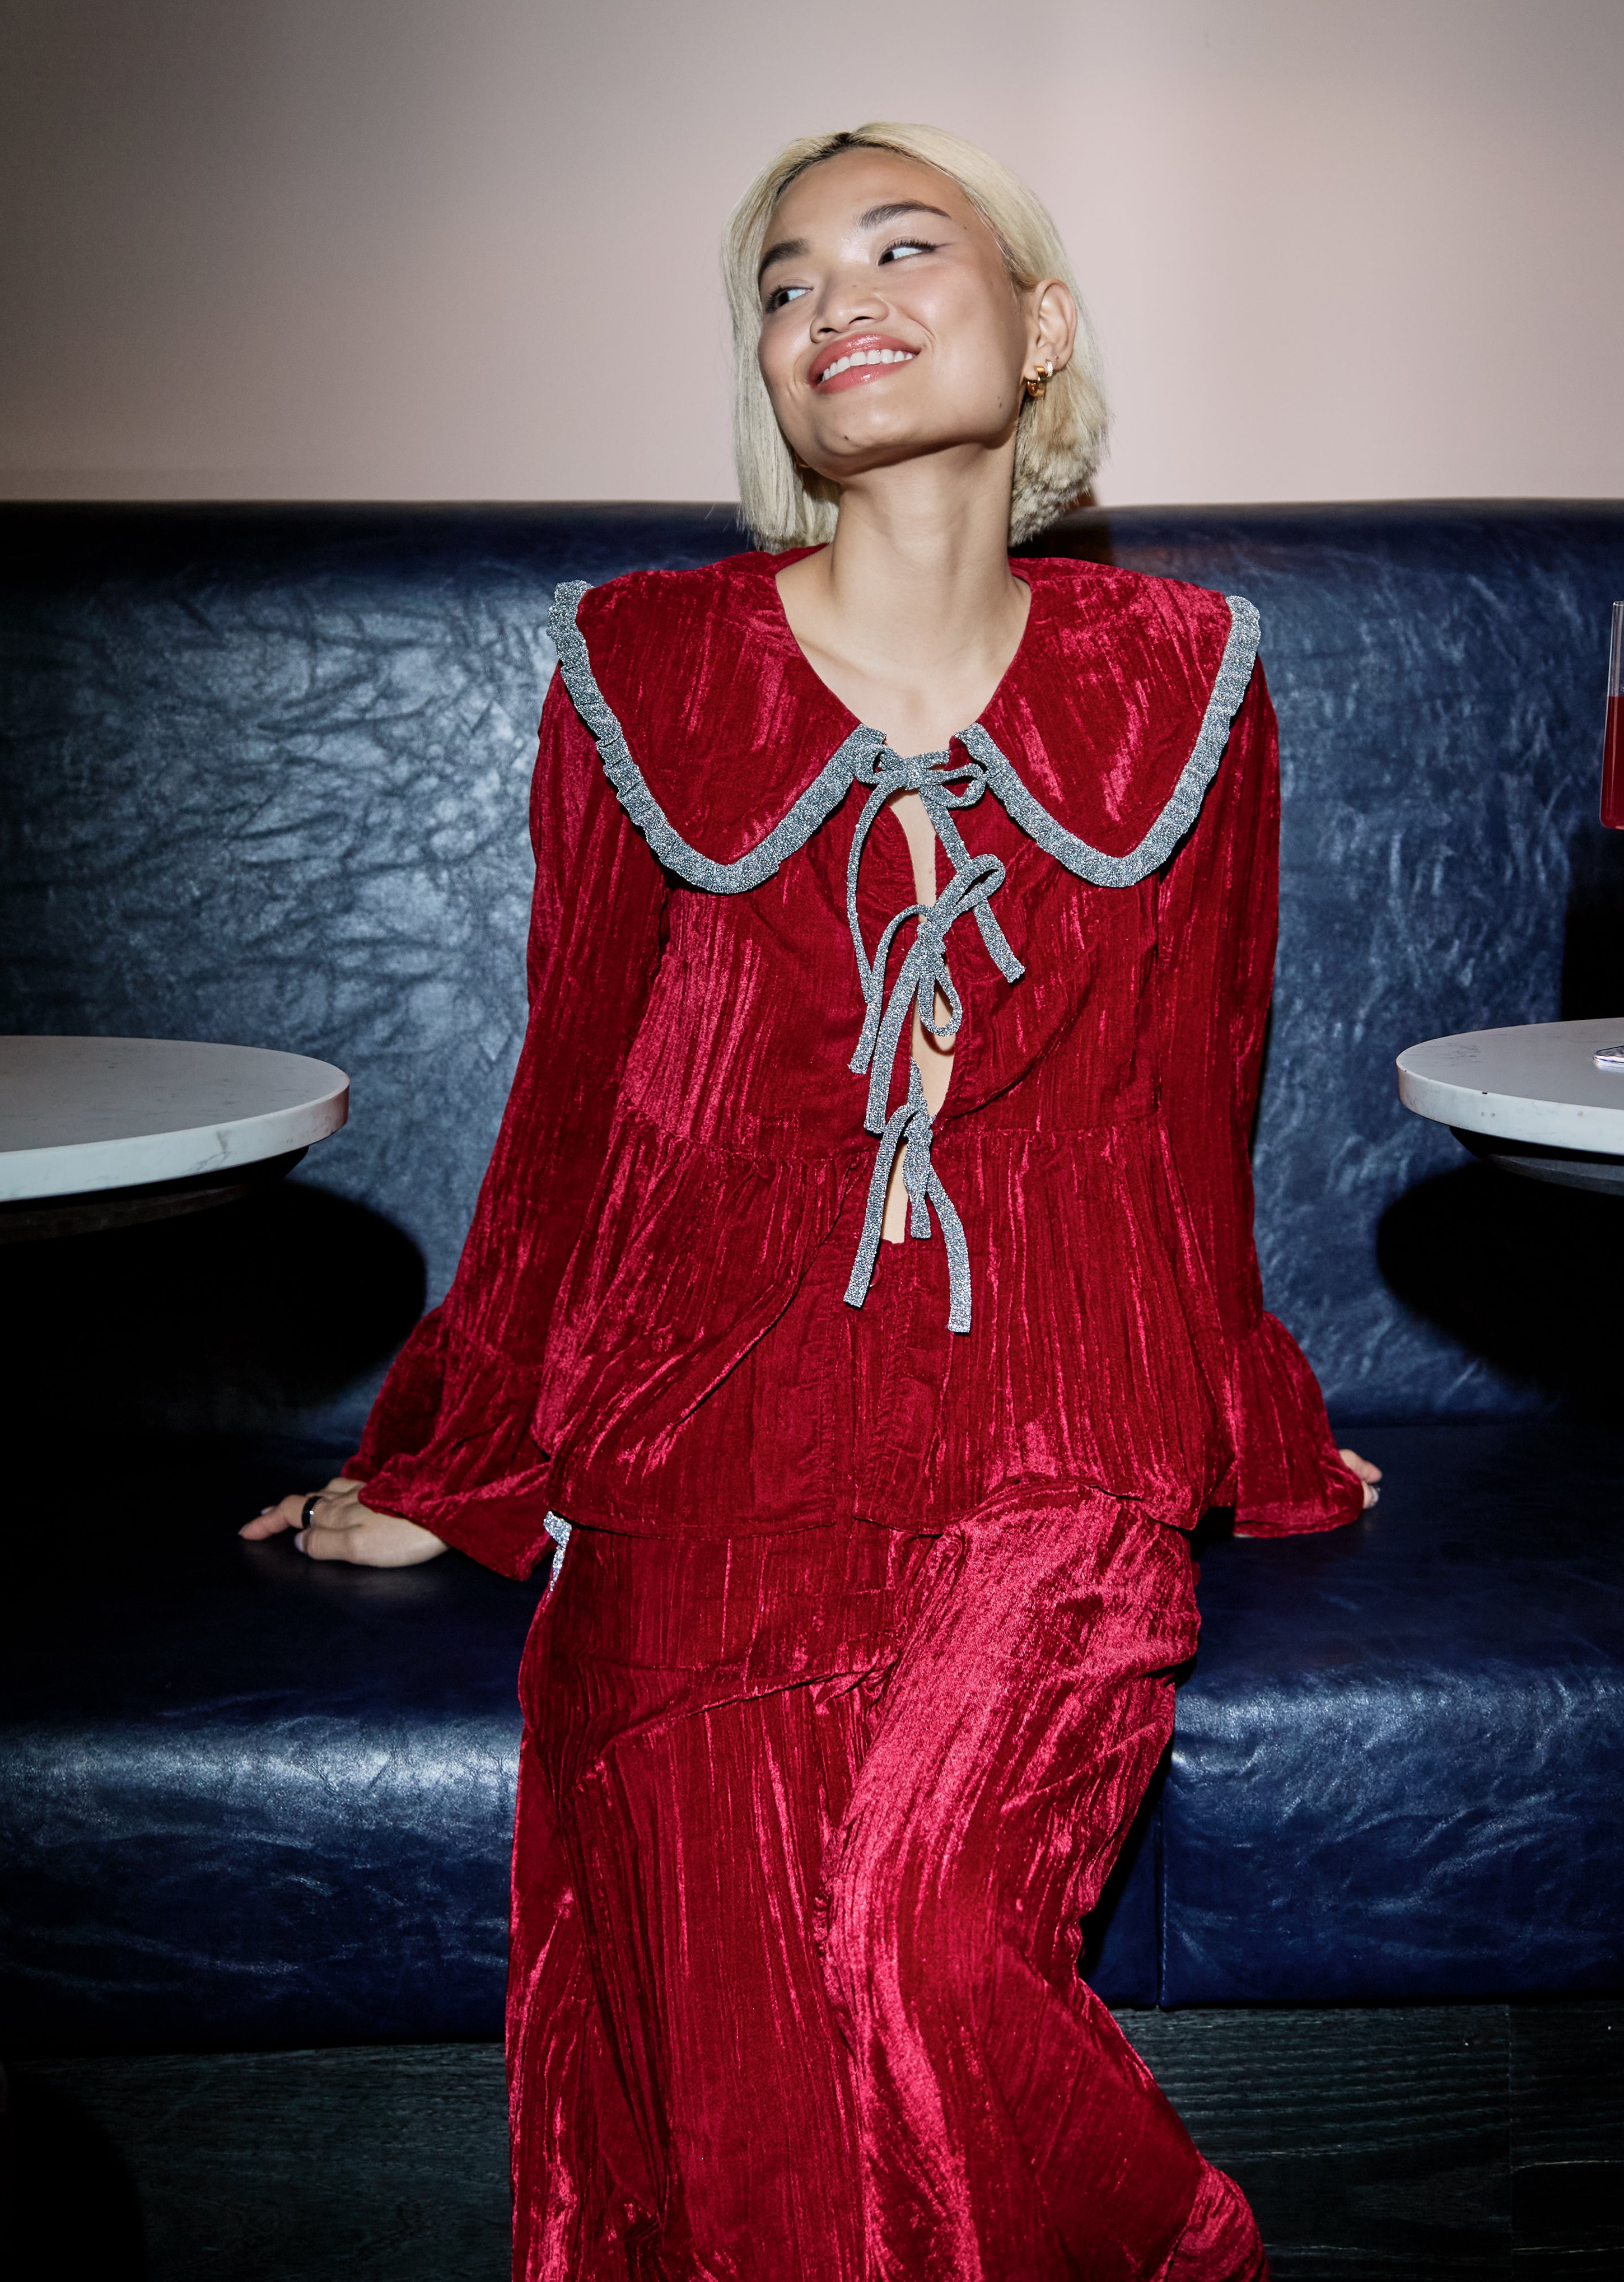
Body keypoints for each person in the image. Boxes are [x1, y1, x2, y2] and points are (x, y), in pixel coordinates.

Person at [244, 122, 1380, 2282]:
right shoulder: (645, 670)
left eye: (897, 244)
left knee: (907, 1926)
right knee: (738, 1939)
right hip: (698, 1453)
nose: (829, 298)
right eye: (781, 282)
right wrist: (459, 1455)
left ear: (1036, 327)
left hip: (1049, 1443)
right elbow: (571, 1090)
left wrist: (1252, 1422)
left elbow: (1196, 1091)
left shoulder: (1186, 675)